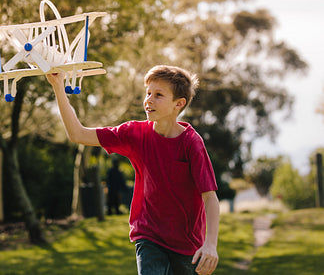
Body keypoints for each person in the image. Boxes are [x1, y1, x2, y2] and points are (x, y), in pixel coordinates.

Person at [46, 65, 220, 275]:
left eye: (158, 95)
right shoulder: (134, 134)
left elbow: (210, 197)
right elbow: (78, 134)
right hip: (149, 236)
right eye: (148, 93)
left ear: (178, 104)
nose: (149, 100)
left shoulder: (192, 143)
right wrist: (58, 87)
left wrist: (210, 244)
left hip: (187, 244)